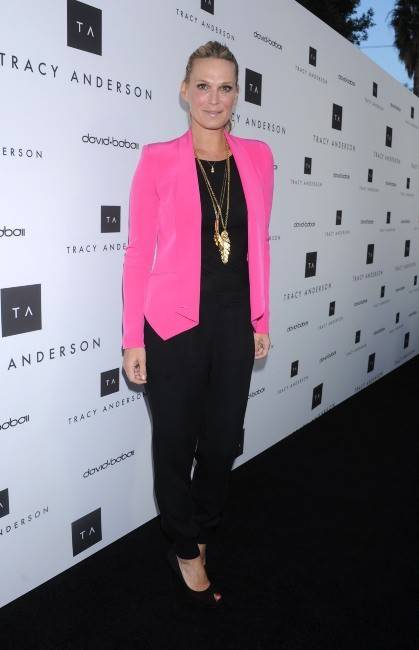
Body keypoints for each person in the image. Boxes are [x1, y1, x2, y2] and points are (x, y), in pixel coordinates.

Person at [121, 40, 274, 607]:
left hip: (234, 324)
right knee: (174, 443)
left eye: (225, 87)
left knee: (222, 442)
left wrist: (260, 316)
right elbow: (138, 253)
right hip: (172, 327)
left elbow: (258, 244)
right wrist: (132, 338)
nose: (214, 98)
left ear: (237, 95)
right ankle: (185, 548)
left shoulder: (258, 157)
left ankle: (204, 527)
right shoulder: (158, 159)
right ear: (185, 91)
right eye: (203, 86)